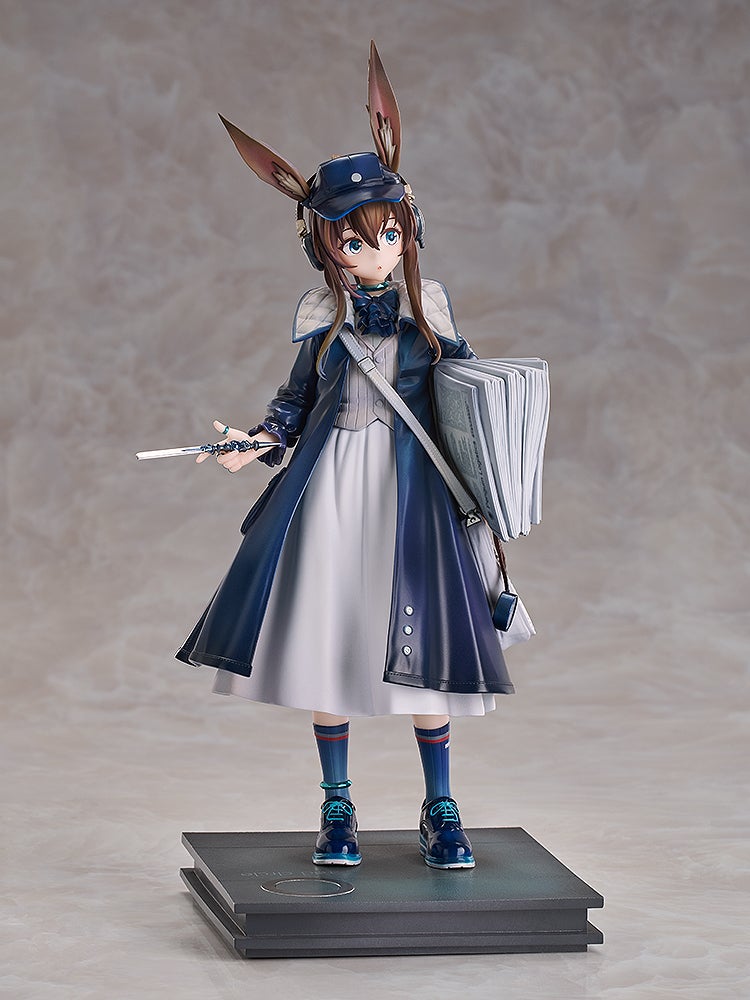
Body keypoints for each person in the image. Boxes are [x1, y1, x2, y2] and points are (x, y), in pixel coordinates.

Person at [176, 43, 534, 869]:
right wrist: (257, 442)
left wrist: (494, 471)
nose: (374, 254)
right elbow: (294, 402)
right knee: (328, 640)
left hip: (413, 495)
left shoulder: (429, 312)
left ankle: (441, 806)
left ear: (409, 232)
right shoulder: (322, 320)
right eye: (354, 243)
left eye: (388, 236)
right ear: (325, 249)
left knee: (429, 652)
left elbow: (470, 401)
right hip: (332, 486)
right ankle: (336, 804)